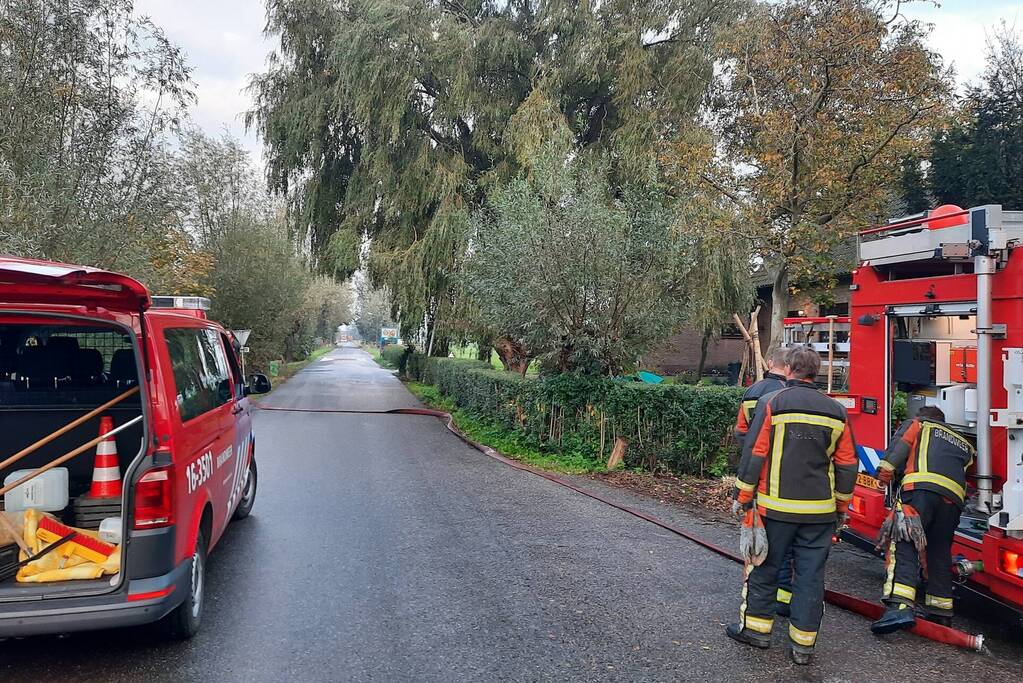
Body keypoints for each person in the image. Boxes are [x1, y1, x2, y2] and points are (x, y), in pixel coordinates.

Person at [726, 346, 858, 665]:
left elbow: (755, 453)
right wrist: (841, 508)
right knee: (811, 576)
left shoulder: (774, 403)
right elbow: (847, 464)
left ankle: (757, 631)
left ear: (789, 370)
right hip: (820, 514)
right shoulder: (836, 411)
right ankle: (803, 647)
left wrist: (742, 497)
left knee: (765, 567)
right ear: (817, 373)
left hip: (776, 510)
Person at [870, 406, 975, 633]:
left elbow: (896, 453)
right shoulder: (964, 443)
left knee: (905, 542)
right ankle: (941, 612)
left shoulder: (919, 424)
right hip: (953, 502)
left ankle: (900, 606)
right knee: (939, 550)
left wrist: (883, 476)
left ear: (921, 416)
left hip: (920, 492)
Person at [733, 347, 795, 614]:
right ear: (791, 367)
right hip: (792, 479)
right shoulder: (792, 396)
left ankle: (754, 591)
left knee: (757, 534)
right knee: (788, 539)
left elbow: (741, 433)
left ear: (770, 362)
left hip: (758, 477)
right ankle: (783, 593)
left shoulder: (752, 392)